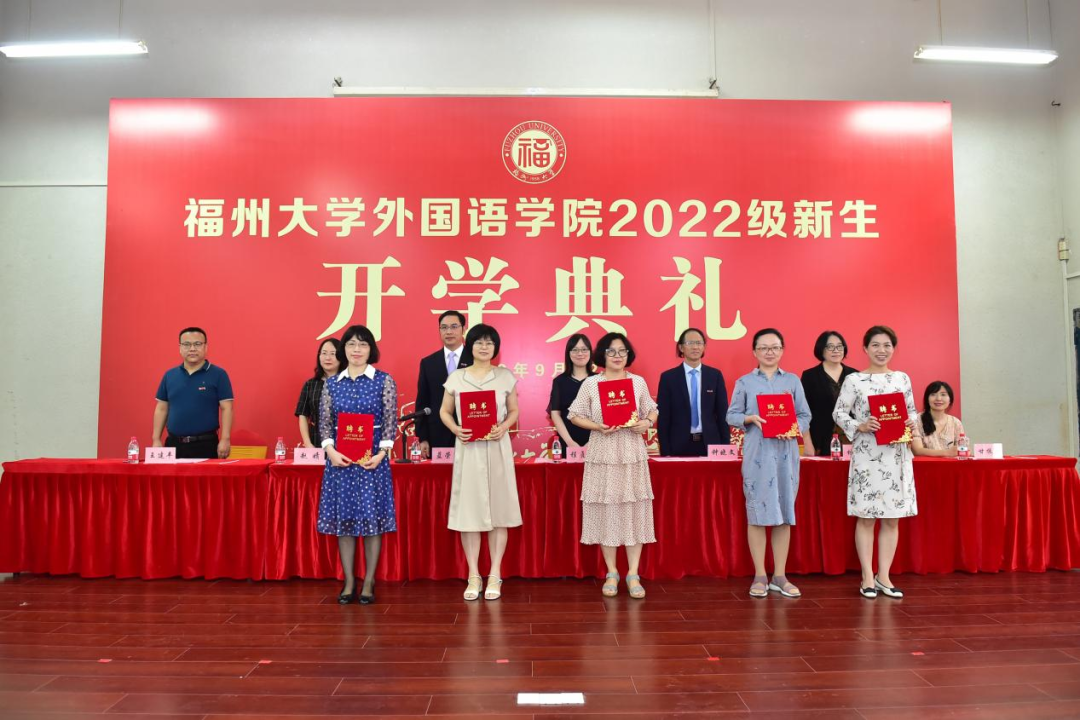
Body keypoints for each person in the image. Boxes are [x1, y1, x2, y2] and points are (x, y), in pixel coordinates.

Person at [567, 332, 658, 599]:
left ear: (628, 355)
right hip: (602, 453)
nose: (617, 356)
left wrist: (647, 422)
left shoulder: (637, 382)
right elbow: (574, 415)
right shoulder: (591, 383)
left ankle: (633, 573)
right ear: (602, 355)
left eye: (622, 351)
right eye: (611, 351)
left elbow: (652, 409)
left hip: (631, 453)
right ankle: (612, 572)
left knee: (634, 510)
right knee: (606, 511)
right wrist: (597, 426)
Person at [833, 325, 919, 600]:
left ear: (893, 348)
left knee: (892, 519)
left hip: (897, 455)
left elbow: (912, 411)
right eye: (875, 345)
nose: (881, 350)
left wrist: (911, 422)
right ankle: (867, 577)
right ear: (865, 348)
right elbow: (839, 412)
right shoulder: (854, 380)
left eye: (887, 345)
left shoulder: (902, 378)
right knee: (867, 517)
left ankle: (884, 577)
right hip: (867, 456)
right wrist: (859, 425)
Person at [726, 328, 811, 600]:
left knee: (784, 513)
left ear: (782, 350)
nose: (769, 352)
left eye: (774, 347)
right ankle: (760, 575)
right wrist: (749, 419)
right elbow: (731, 415)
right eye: (763, 348)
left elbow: (805, 415)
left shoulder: (793, 381)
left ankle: (780, 576)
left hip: (786, 454)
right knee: (758, 514)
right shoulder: (744, 382)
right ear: (755, 352)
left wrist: (792, 427)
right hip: (758, 455)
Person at [439, 324, 521, 601]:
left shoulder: (505, 376)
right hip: (469, 449)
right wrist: (455, 428)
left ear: (495, 348)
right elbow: (444, 411)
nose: (484, 347)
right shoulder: (457, 377)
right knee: (469, 513)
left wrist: (504, 427)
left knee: (500, 511)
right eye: (478, 342)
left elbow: (514, 411)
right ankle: (474, 574)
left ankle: (495, 573)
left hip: (497, 447)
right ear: (470, 345)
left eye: (489, 343)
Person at [317, 325, 398, 605]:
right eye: (351, 344)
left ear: (371, 349)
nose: (356, 349)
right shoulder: (332, 383)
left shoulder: (383, 380)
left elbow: (390, 421)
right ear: (344, 349)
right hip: (340, 462)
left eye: (363, 344)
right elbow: (325, 422)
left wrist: (381, 454)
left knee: (372, 520)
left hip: (372, 462)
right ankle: (349, 580)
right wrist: (330, 451)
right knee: (345, 521)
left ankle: (370, 580)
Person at [152, 327, 233, 459]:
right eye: (186, 344)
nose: (192, 349)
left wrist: (225, 439)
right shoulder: (169, 375)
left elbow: (227, 408)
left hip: (206, 444)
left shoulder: (219, 374)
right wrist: (156, 439)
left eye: (197, 344)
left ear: (205, 347)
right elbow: (162, 409)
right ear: (180, 348)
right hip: (173, 444)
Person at [657, 327, 730, 456]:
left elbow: (722, 414)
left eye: (699, 343)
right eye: (690, 343)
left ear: (704, 347)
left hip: (711, 444)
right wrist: (665, 451)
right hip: (678, 445)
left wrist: (725, 448)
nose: (695, 347)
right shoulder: (668, 378)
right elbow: (663, 418)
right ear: (681, 347)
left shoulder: (715, 376)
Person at [415, 311, 467, 458]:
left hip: (469, 434)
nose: (448, 331)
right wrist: (423, 437)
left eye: (454, 326)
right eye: (444, 327)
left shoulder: (475, 360)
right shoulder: (428, 363)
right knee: (441, 472)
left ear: (463, 329)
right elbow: (422, 401)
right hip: (437, 434)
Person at [800, 330, 857, 457]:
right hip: (820, 440)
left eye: (839, 346)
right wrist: (807, 442)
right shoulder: (810, 376)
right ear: (821, 349)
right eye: (830, 347)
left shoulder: (855, 375)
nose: (836, 350)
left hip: (851, 440)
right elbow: (803, 412)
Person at [295, 339, 345, 448]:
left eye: (333, 354)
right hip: (316, 442)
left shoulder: (348, 383)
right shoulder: (310, 384)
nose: (328, 358)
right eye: (324, 353)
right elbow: (303, 415)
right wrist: (308, 443)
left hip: (344, 442)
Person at [548, 333, 593, 450]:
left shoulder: (599, 380)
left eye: (584, 349)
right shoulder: (559, 381)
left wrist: (593, 442)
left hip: (596, 442)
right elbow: (555, 414)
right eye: (575, 350)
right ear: (568, 353)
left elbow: (605, 415)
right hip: (567, 442)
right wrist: (570, 442)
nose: (580, 353)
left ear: (590, 352)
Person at [911, 380, 965, 457]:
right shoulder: (917, 420)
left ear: (950, 399)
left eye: (943, 395)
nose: (938, 398)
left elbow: (961, 450)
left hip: (950, 464)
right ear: (927, 399)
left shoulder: (956, 422)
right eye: (933, 394)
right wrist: (947, 453)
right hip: (924, 464)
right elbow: (917, 451)